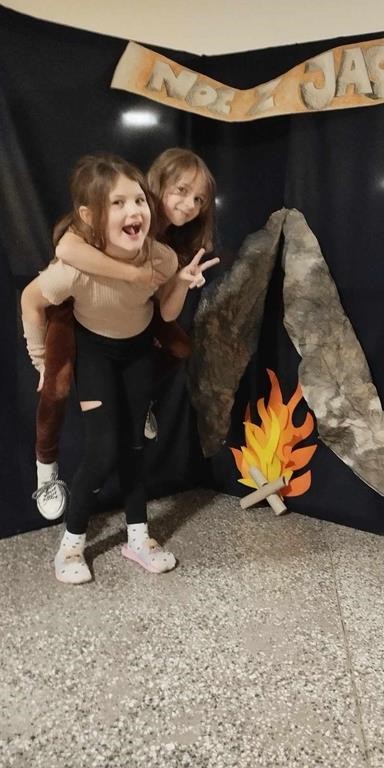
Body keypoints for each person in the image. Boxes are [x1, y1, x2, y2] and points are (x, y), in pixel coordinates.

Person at [21, 153, 210, 584]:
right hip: (95, 354)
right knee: (103, 450)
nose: (133, 211)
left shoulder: (162, 257)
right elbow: (30, 301)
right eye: (118, 203)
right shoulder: (73, 267)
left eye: (139, 200)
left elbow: (166, 313)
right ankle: (71, 544)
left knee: (135, 449)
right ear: (90, 217)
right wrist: (40, 361)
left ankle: (138, 539)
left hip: (138, 351)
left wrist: (181, 283)